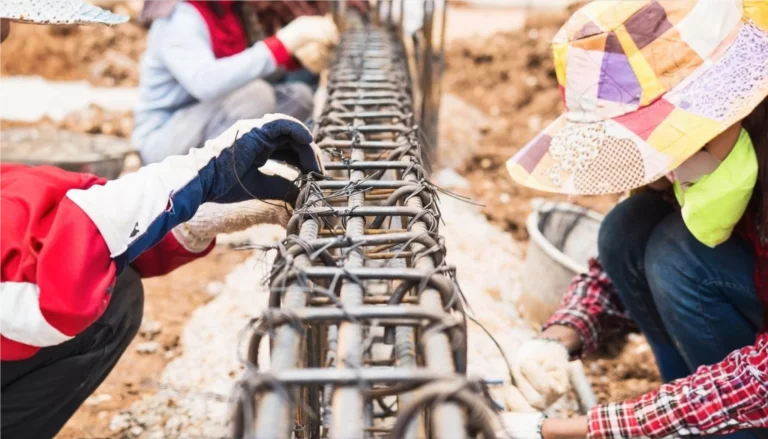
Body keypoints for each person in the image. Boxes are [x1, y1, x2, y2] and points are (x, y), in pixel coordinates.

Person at [0, 2, 324, 437]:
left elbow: (34, 198)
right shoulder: (185, 16)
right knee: (108, 302)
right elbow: (44, 290)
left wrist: (188, 219)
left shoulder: (226, 16)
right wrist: (201, 174)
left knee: (120, 290)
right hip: (167, 135)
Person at [497, 1, 768, 438]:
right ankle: (695, 424)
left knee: (676, 257)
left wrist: (573, 430)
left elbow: (760, 379)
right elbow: (612, 270)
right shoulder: (715, 155)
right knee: (629, 227)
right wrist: (559, 336)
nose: (667, 165)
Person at [133, 0, 339, 164]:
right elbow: (205, 82)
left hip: (209, 116)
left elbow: (241, 71)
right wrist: (280, 44)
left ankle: (266, 167)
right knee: (255, 96)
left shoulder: (227, 10)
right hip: (165, 139)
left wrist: (292, 59)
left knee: (300, 97)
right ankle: (219, 184)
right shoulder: (181, 15)